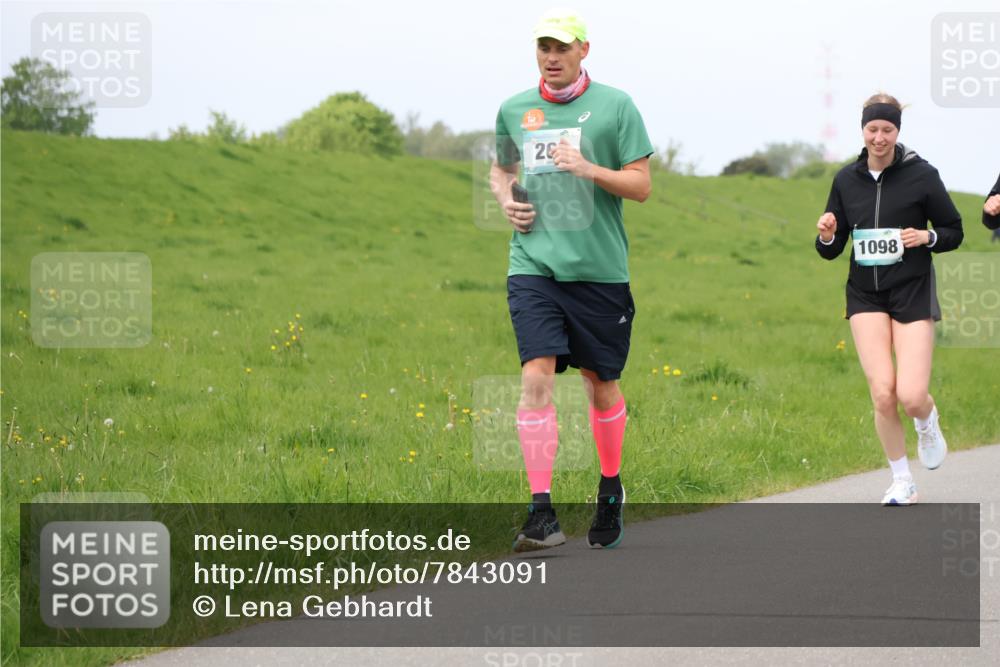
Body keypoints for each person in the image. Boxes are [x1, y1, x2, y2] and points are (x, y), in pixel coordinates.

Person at [489, 9, 653, 550]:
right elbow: (502, 169)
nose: (552, 57)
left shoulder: (616, 106)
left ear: (584, 50)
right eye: (544, 47)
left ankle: (610, 486)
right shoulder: (514, 109)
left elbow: (641, 185)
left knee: (599, 384)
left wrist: (588, 169)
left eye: (562, 47)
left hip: (599, 271)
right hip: (533, 264)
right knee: (535, 376)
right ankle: (541, 513)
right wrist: (507, 200)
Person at [815, 93, 963, 506]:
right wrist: (827, 235)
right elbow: (832, 247)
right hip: (865, 294)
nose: (879, 138)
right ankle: (902, 481)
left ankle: (926, 421)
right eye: (872, 129)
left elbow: (953, 230)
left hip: (912, 289)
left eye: (887, 130)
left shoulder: (922, 175)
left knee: (911, 396)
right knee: (882, 393)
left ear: (898, 131)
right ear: (862, 130)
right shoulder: (846, 180)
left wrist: (926, 236)